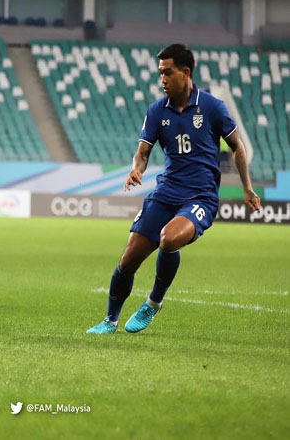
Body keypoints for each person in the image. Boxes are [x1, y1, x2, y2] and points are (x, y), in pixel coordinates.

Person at [86, 44, 261, 335]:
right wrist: (137, 169)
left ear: (186, 73)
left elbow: (237, 147)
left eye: (167, 73)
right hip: (165, 193)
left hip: (200, 197)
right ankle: (110, 321)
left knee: (169, 239)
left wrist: (247, 187)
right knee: (128, 259)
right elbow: (143, 152)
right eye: (160, 74)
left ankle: (153, 303)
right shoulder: (156, 111)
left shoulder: (213, 107)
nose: (162, 79)